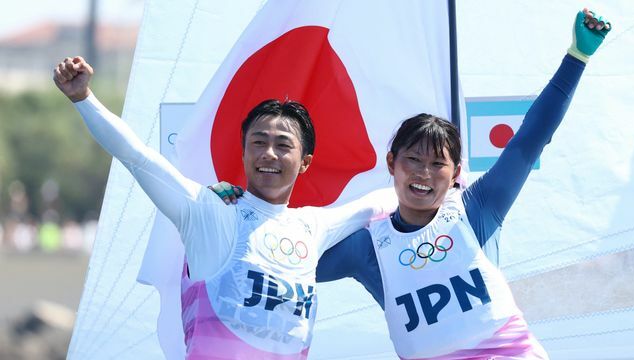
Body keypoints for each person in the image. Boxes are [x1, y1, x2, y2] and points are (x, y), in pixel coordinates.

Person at [213, 8, 611, 359]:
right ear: (392, 164)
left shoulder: (477, 208)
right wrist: (235, 212)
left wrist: (577, 57)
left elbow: (529, 141)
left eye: (437, 164)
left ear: (455, 174)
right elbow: (278, 257)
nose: (422, 173)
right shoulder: (369, 246)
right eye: (413, 160)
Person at [53, 58, 396, 358]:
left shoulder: (314, 227)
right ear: (244, 152)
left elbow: (379, 202)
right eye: (258, 142)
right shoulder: (208, 212)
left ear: (304, 162)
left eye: (282, 145)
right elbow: (137, 157)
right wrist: (83, 98)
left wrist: (447, 180)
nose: (269, 154)